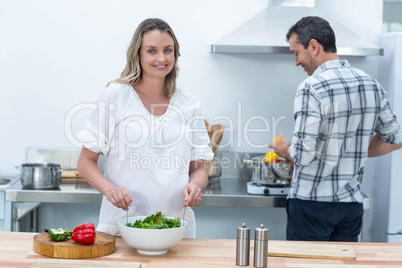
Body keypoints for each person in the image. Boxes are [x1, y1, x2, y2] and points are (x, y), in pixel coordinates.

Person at [77, 18, 214, 237]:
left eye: (168, 50)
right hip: (121, 228)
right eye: (152, 51)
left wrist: (196, 186)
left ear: (175, 54)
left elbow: (198, 168)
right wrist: (109, 190)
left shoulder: (189, 104)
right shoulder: (116, 95)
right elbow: (85, 162)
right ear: (138, 55)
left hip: (176, 230)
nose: (161, 58)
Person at [269, 16, 402, 242]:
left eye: (296, 53)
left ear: (313, 46)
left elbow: (302, 154)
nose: (296, 62)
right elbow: (395, 138)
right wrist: (354, 149)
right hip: (350, 208)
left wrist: (285, 149)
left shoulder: (311, 87)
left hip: (311, 206)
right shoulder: (370, 84)